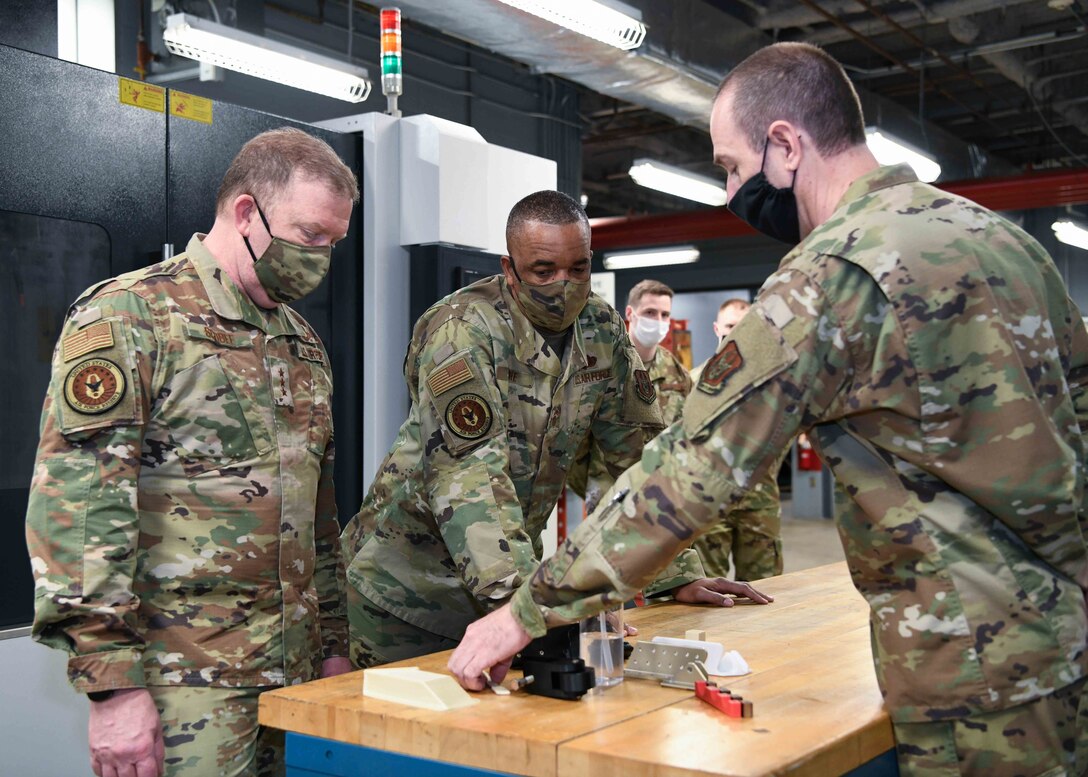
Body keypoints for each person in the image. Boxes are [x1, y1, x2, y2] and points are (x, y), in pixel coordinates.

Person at [449, 42, 1088, 777]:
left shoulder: (830, 277)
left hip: (967, 671)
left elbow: (688, 471)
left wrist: (525, 612)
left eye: (730, 166)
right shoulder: (1003, 241)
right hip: (1064, 641)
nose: (728, 194)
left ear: (786, 145)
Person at [26, 127, 358, 777]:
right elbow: (81, 509)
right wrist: (113, 688)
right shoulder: (130, 317)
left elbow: (320, 517)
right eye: (310, 236)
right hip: (185, 686)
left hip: (294, 681)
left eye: (333, 244)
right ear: (245, 213)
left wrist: (334, 648)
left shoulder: (303, 344)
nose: (320, 258)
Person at [340, 190, 770, 668]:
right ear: (510, 269)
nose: (563, 285)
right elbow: (469, 480)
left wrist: (675, 569)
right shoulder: (463, 331)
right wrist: (527, 609)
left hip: (510, 588)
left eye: (578, 269)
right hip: (403, 596)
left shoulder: (601, 329)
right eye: (543, 271)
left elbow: (637, 453)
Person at [566, 280, 690, 511]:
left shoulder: (679, 376)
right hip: (608, 495)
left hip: (661, 496)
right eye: (650, 312)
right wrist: (595, 487)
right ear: (631, 313)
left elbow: (685, 438)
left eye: (665, 314)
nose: (659, 321)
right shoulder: (602, 368)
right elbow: (576, 441)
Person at [691, 297, 785, 581]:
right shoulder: (694, 382)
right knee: (708, 588)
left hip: (758, 499)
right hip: (709, 500)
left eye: (743, 327)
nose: (736, 332)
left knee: (766, 585)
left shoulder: (773, 382)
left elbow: (783, 436)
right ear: (716, 328)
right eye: (730, 325)